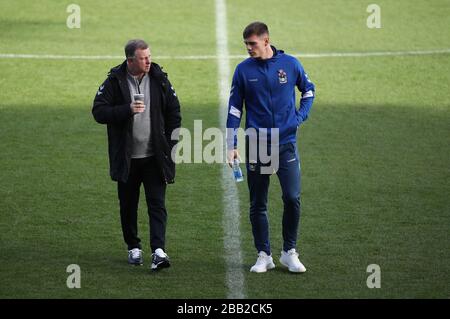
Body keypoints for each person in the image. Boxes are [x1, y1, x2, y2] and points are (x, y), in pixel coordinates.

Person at [226, 22, 315, 273]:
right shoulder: (243, 70)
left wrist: (299, 118)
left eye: (252, 44)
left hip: (286, 144)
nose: (248, 48)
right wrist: (231, 143)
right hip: (257, 145)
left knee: (292, 197)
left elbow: (308, 91)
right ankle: (264, 255)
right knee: (258, 203)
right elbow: (234, 109)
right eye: (246, 44)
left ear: (266, 41)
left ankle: (289, 252)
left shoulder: (290, 64)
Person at [92, 39, 181, 271]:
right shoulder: (114, 81)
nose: (149, 61)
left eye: (149, 56)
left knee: (157, 204)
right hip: (127, 158)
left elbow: (174, 110)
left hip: (155, 157)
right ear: (131, 60)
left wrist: (171, 142)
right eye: (143, 58)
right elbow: (99, 111)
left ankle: (159, 251)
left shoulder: (159, 78)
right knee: (128, 205)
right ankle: (133, 246)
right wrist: (127, 110)